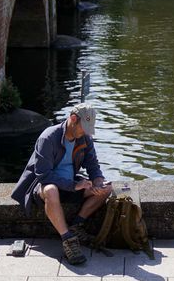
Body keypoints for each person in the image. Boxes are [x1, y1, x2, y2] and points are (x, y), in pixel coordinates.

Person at [11, 103, 112, 265]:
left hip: (71, 183)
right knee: (51, 190)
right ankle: (68, 239)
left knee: (107, 188)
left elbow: (93, 165)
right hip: (44, 185)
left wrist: (99, 182)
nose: (85, 132)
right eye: (83, 127)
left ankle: (76, 226)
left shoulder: (85, 138)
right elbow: (43, 175)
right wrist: (74, 186)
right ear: (73, 119)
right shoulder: (48, 137)